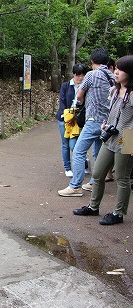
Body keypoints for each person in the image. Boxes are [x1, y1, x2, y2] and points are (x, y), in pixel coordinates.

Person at [72, 55, 133, 225]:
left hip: (128, 138)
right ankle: (93, 207)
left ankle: (118, 213)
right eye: (117, 68)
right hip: (111, 136)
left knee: (122, 177)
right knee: (98, 173)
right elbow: (111, 111)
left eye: (121, 69)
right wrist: (106, 123)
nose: (116, 72)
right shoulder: (115, 90)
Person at [58, 48, 115, 197]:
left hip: (93, 120)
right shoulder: (112, 76)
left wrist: (82, 104)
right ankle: (93, 183)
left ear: (92, 62)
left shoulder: (91, 74)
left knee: (78, 151)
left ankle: (75, 186)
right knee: (97, 153)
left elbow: (79, 95)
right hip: (107, 123)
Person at [57, 64, 87, 177]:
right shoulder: (66, 86)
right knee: (65, 144)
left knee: (75, 145)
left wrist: (74, 117)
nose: (80, 77)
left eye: (82, 75)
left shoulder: (85, 87)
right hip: (64, 119)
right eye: (78, 75)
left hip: (78, 119)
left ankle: (82, 163)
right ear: (74, 74)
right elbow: (62, 101)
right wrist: (67, 117)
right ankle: (67, 167)